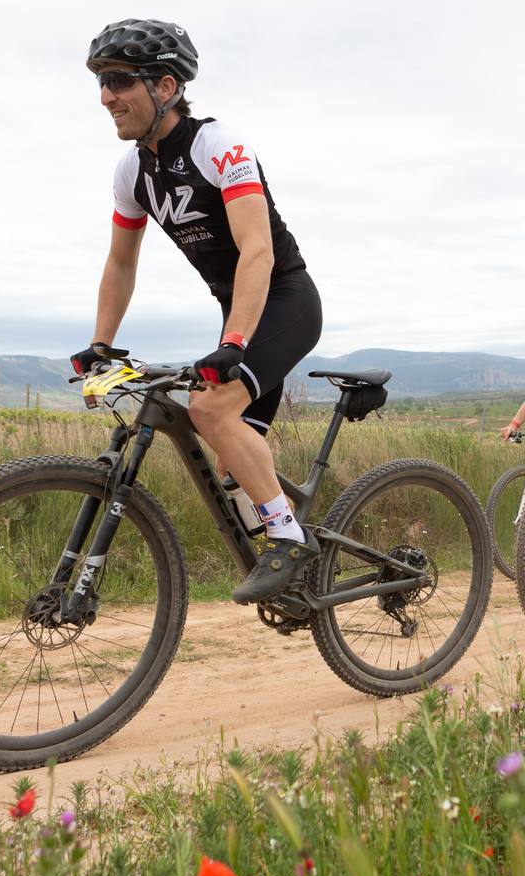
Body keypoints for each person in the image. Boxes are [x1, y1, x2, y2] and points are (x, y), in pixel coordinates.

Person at [72, 19, 323, 603]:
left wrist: (235, 342)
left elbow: (257, 250)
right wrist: (101, 345)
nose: (105, 97)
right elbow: (120, 264)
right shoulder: (132, 172)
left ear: (164, 87)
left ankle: (291, 543)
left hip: (282, 298)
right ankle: (300, 573)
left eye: (117, 82)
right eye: (101, 85)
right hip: (237, 309)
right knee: (233, 463)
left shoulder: (219, 145)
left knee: (211, 410)